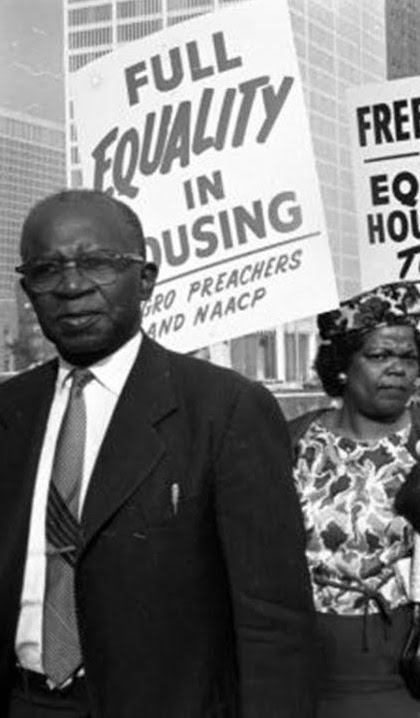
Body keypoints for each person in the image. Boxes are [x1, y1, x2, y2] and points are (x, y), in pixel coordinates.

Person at [0, 190, 315, 717]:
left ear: (145, 279)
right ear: (27, 289)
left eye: (98, 263)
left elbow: (273, 623)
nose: (72, 287)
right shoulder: (10, 409)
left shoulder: (226, 409)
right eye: (47, 270)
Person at [289, 283, 420, 717]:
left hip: (416, 668)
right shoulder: (292, 440)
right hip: (308, 670)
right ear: (343, 365)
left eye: (407, 357)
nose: (398, 369)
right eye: (380, 355)